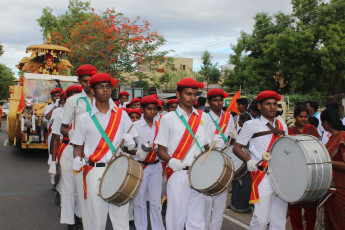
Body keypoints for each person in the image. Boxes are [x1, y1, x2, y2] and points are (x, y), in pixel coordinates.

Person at [71, 73, 137, 230]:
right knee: (96, 219)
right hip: (95, 171)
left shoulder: (122, 115)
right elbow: (78, 145)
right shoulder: (84, 118)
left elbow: (133, 145)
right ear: (92, 91)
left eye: (108, 87)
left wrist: (130, 142)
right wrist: (77, 159)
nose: (105, 90)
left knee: (121, 219)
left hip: (118, 170)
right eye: (100, 87)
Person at [155, 78, 221, 230]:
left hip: (198, 173)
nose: (192, 98)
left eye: (195, 94)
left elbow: (205, 146)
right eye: (188, 94)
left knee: (197, 220)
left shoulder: (203, 117)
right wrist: (171, 161)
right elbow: (160, 149)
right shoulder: (167, 119)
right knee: (176, 219)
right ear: (178, 95)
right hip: (178, 173)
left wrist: (213, 143)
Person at [233, 90, 288, 230]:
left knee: (279, 219)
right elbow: (237, 148)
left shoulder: (282, 125)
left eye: (275, 104)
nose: (273, 107)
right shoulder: (251, 125)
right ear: (259, 106)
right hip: (263, 175)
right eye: (268, 104)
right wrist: (249, 161)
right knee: (261, 219)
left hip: (281, 175)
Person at [60, 64, 100, 230]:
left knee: (88, 190)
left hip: (95, 153)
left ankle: (84, 218)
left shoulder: (105, 100)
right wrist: (74, 135)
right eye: (85, 82)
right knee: (70, 189)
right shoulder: (72, 101)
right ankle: (70, 221)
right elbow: (63, 127)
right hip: (73, 151)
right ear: (79, 81)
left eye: (92, 81)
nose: (89, 85)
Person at [124, 95, 165, 230]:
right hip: (140, 166)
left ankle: (158, 227)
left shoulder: (160, 126)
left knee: (155, 202)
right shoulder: (134, 126)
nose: (152, 112)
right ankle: (140, 227)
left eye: (155, 109)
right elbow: (125, 147)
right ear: (142, 109)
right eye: (149, 109)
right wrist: (136, 152)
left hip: (156, 165)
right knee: (139, 201)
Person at [49, 86, 83, 230]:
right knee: (68, 189)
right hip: (67, 150)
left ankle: (79, 216)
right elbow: (55, 138)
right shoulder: (59, 116)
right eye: (72, 98)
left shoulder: (87, 114)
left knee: (81, 188)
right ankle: (70, 221)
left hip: (84, 152)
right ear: (66, 99)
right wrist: (53, 160)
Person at [204, 88, 234, 230]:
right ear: (209, 102)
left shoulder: (229, 117)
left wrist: (233, 138)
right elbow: (201, 142)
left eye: (221, 100)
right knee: (207, 200)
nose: (219, 103)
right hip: (209, 160)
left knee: (220, 201)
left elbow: (230, 139)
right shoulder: (204, 118)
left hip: (223, 160)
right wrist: (210, 143)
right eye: (215, 100)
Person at [288, 104, 320, 230]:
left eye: (306, 116)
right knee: (294, 206)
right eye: (301, 116)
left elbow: (317, 147)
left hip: (310, 172)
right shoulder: (289, 130)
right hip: (294, 172)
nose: (304, 119)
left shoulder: (312, 129)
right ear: (295, 117)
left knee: (311, 208)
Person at [320, 108, 345, 229]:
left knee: (341, 220)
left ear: (325, 122)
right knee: (332, 220)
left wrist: (327, 162)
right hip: (331, 188)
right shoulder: (332, 138)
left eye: (321, 122)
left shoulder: (342, 137)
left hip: (341, 187)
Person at [229, 113, 252, 214]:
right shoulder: (240, 129)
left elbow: (246, 145)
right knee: (237, 185)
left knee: (243, 186)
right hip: (239, 160)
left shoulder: (248, 130)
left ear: (243, 121)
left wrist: (237, 137)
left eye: (239, 120)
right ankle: (235, 204)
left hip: (245, 161)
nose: (238, 122)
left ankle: (242, 207)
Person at [44, 88, 61, 191]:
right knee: (52, 158)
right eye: (55, 96)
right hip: (52, 135)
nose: (57, 98)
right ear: (52, 97)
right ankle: (54, 182)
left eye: (59, 96)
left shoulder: (65, 107)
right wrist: (55, 106)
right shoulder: (49, 107)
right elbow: (47, 117)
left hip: (63, 136)